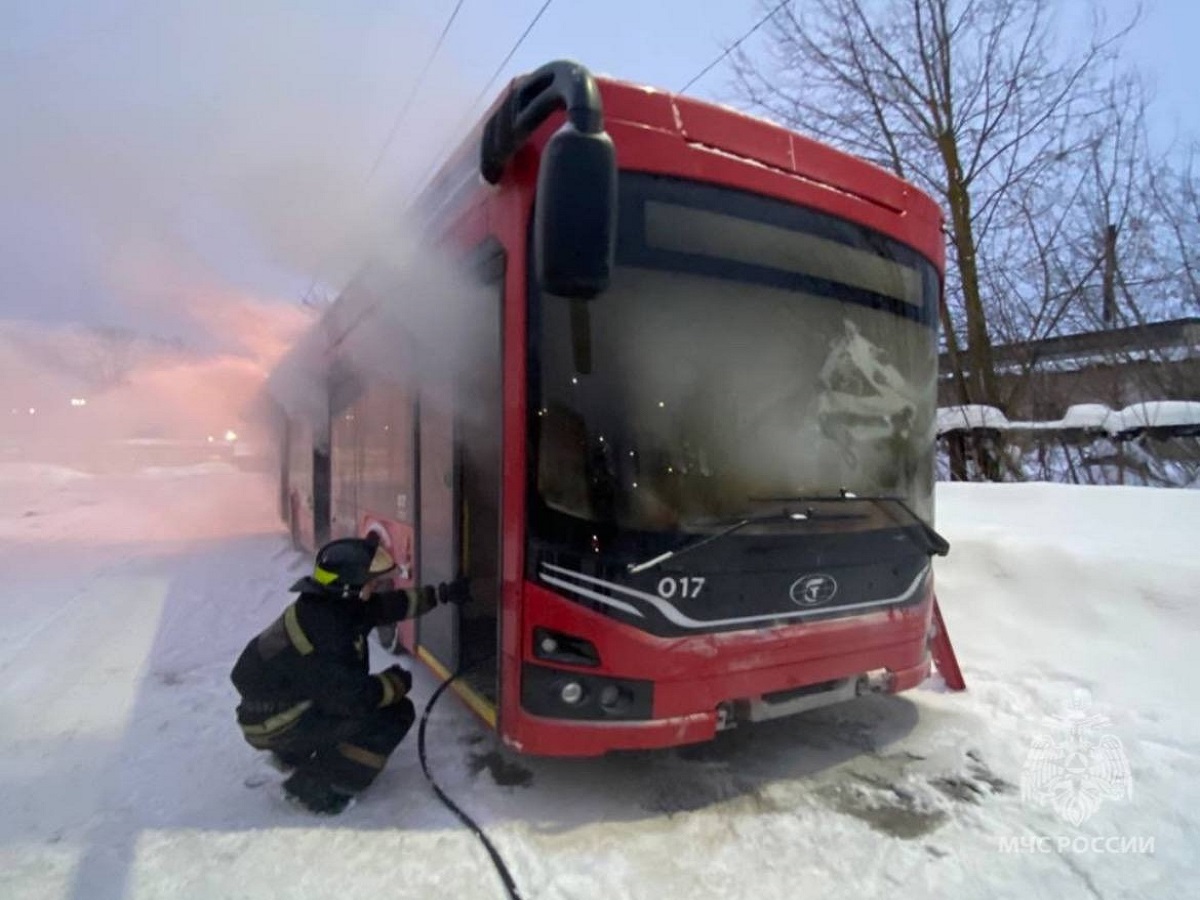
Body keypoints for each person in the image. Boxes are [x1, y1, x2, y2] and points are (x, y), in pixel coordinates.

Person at [231, 532, 470, 814]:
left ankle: (296, 753)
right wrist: (394, 684)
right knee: (394, 714)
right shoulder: (329, 631)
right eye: (371, 583)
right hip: (273, 721)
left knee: (352, 706)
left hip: (276, 708)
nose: (376, 586)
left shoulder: (330, 605)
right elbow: (351, 698)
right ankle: (317, 789)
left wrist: (441, 594)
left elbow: (388, 606)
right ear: (349, 586)